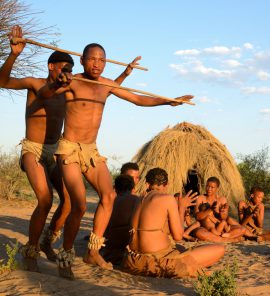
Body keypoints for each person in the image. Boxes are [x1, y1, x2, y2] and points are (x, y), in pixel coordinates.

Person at [44, 43, 193, 279]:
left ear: (105, 62)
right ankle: (65, 255)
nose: (97, 64)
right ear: (82, 61)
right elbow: (47, 94)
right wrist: (57, 82)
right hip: (70, 149)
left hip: (91, 151)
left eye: (101, 60)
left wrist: (168, 102)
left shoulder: (105, 85)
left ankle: (93, 251)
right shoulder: (72, 81)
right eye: (92, 59)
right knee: (79, 204)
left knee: (109, 196)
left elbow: (137, 99)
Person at [0, 25, 75, 271]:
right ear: (51, 67)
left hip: (54, 150)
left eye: (70, 70)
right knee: (45, 200)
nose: (67, 73)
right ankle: (30, 252)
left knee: (70, 201)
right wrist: (13, 55)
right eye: (63, 68)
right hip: (33, 149)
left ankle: (47, 242)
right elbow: (1, 82)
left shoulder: (70, 90)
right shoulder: (34, 83)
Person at [121, 168, 225, 278]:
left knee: (180, 247)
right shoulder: (167, 198)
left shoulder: (138, 199)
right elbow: (178, 236)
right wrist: (181, 207)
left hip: (132, 261)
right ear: (166, 185)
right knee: (219, 249)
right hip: (156, 262)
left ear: (147, 184)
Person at [102, 174, 141, 265]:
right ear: (133, 188)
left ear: (115, 188)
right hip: (128, 243)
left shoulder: (110, 201)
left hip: (111, 244)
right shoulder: (137, 200)